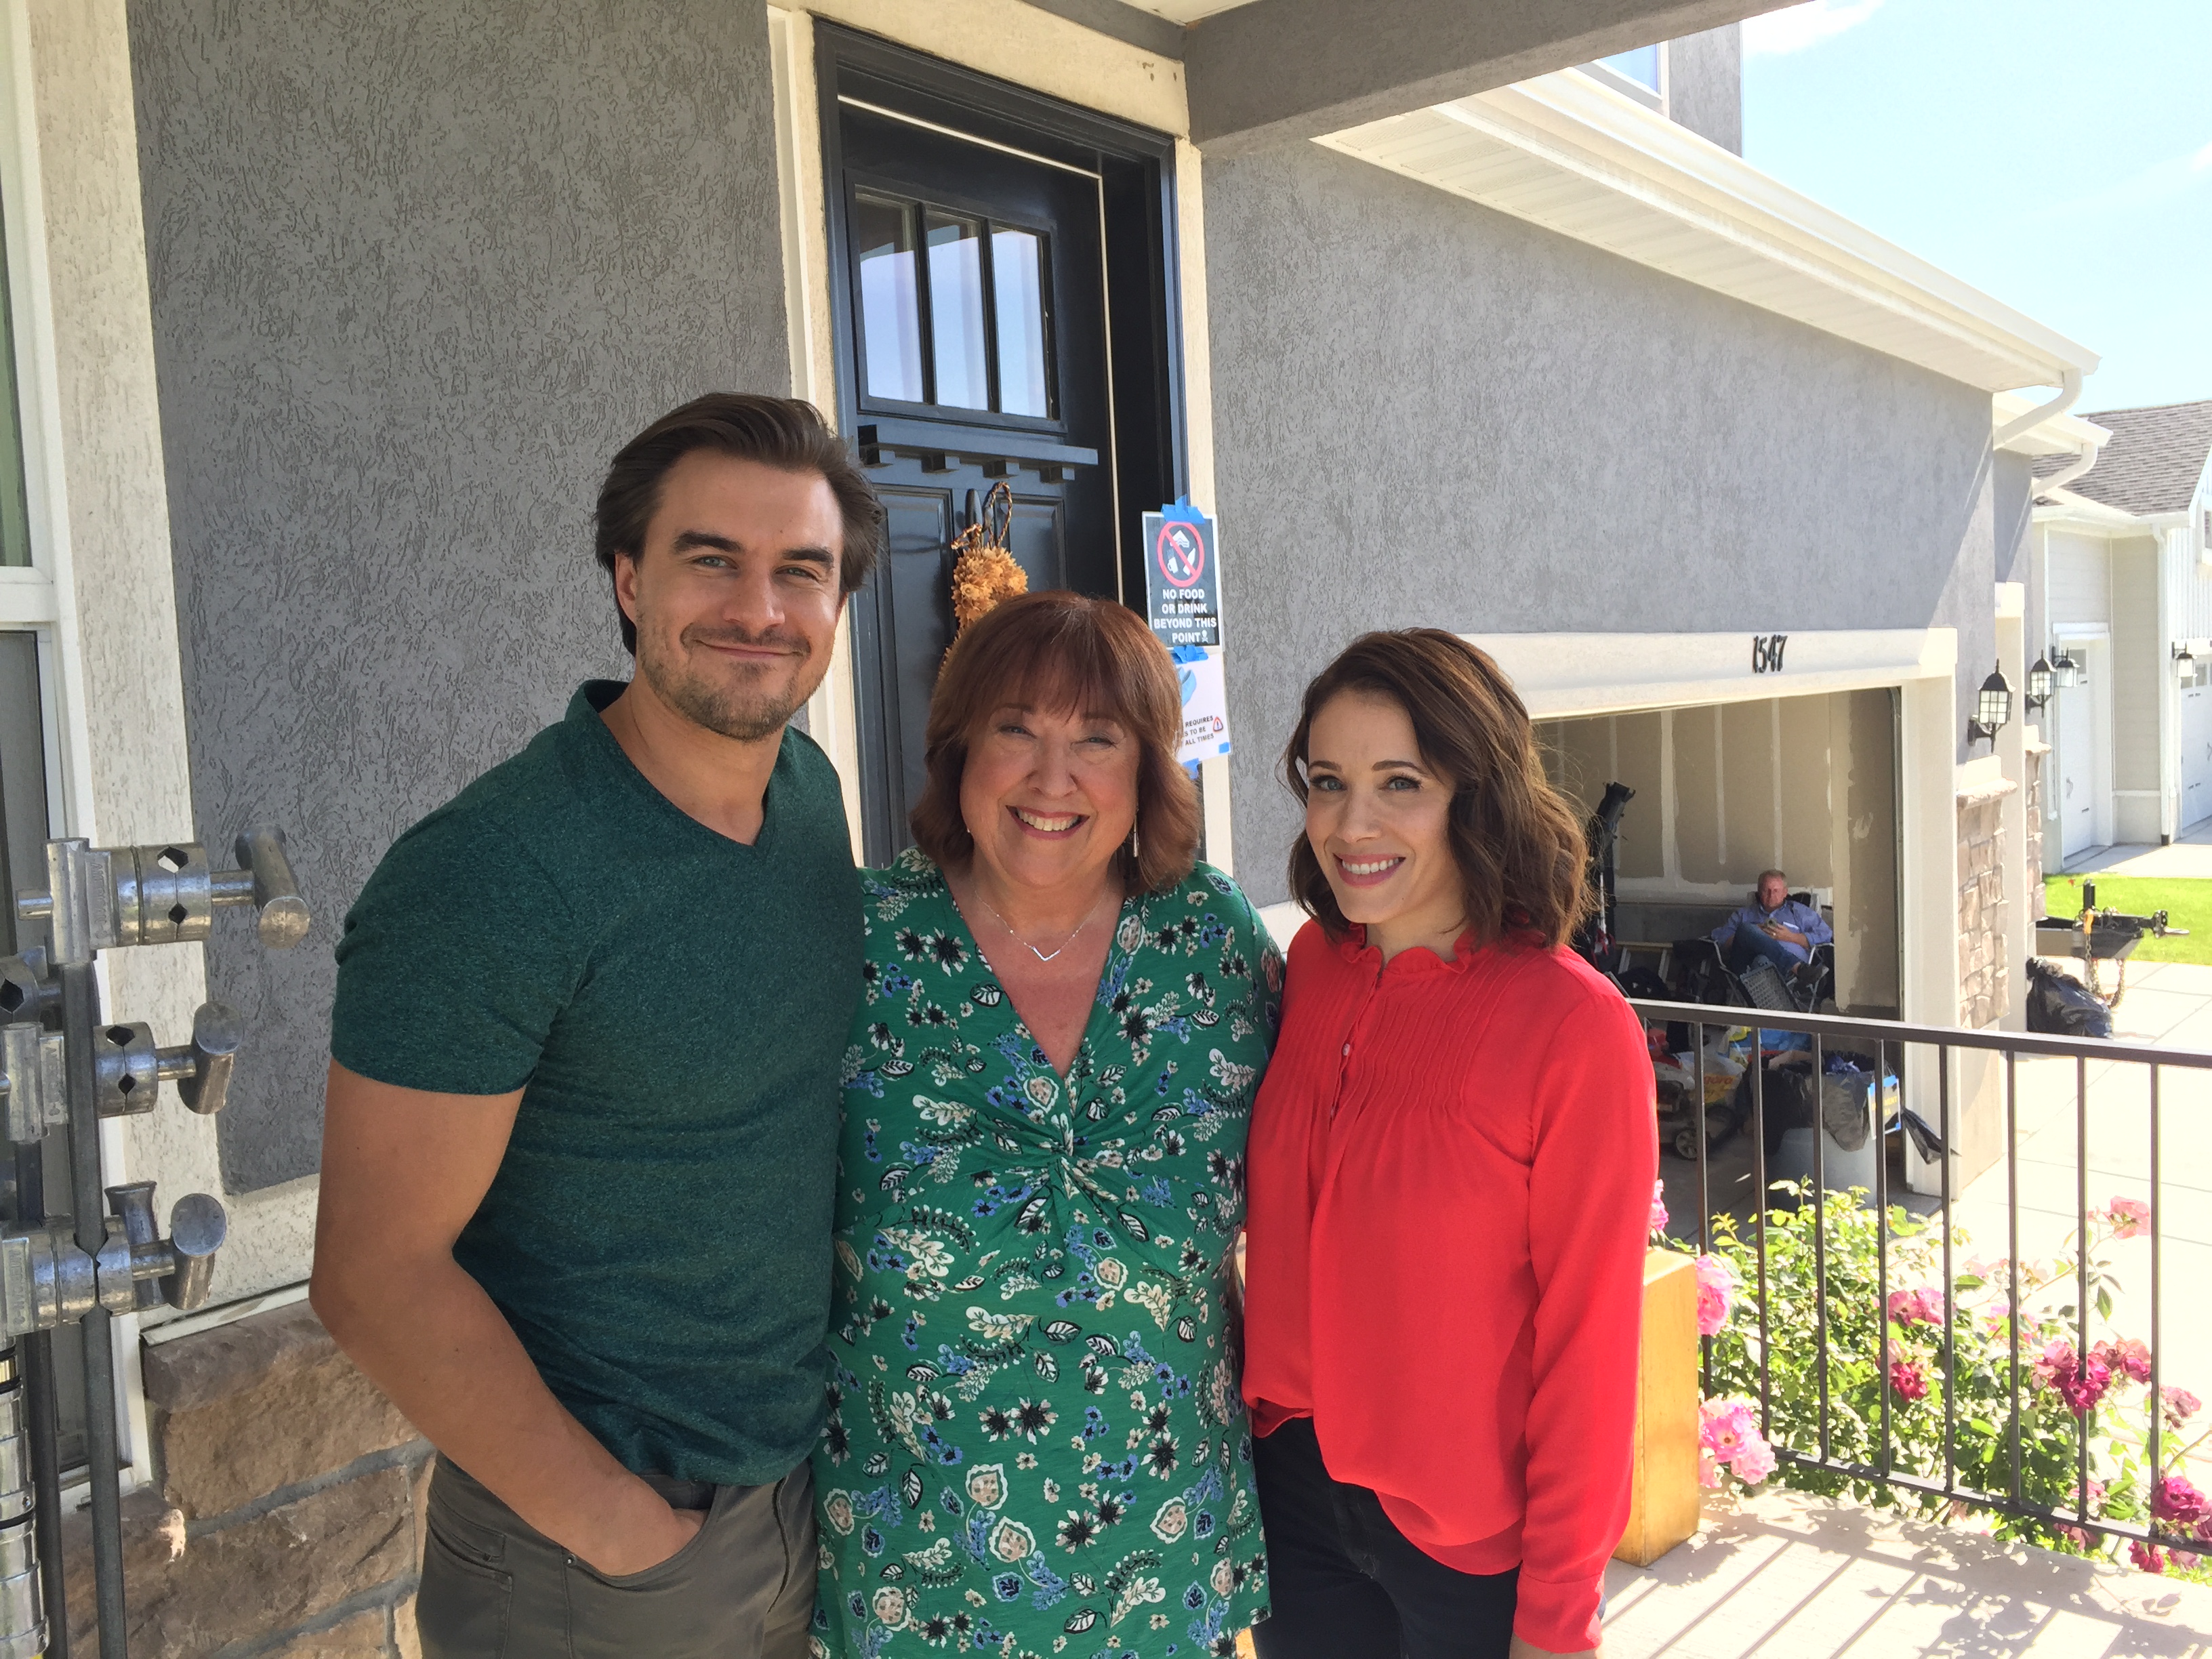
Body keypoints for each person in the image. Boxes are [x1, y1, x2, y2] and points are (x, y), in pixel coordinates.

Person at [312, 393, 883, 1659]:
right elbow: (374, 1272)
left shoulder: (806, 793)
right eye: (707, 559)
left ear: (838, 602)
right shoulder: (493, 872)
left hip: (790, 1493)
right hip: (597, 1555)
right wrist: (618, 1526)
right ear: (628, 579)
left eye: (800, 569)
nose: (757, 608)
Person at [813, 590, 1278, 1658]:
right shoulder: (861, 943)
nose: (1051, 778)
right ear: (958, 752)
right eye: (1016, 728)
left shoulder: (1210, 938)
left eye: (1098, 740)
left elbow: (1346, 1136)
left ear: (1150, 770)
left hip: (1164, 1555)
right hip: (915, 1561)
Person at [1241, 630, 1657, 1659]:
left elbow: (1589, 1349)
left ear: (1479, 795)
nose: (1353, 823)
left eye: (1402, 783)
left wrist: (1557, 1623)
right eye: (1328, 782)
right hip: (1293, 1494)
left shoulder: (1574, 1028)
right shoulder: (1313, 965)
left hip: (1470, 1552)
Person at [1712, 869, 1832, 979]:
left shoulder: (1799, 912)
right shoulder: (1744, 914)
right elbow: (1720, 939)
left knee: (1762, 960)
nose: (1771, 896)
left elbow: (1825, 934)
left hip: (1768, 970)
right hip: (1745, 965)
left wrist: (1790, 937)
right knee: (1746, 929)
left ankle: (1767, 1000)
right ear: (1759, 892)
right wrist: (1754, 934)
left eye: (1776, 891)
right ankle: (1797, 967)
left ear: (1785, 892)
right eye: (1766, 891)